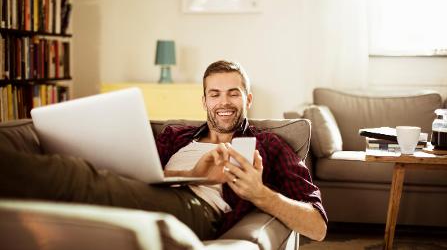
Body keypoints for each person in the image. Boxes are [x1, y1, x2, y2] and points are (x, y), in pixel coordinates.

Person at [0, 60, 327, 241]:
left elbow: (318, 226)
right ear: (204, 101)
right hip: (147, 192)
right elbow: (139, 178)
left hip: (199, 209)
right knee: (73, 178)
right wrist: (190, 173)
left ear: (248, 99)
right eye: (214, 94)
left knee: (68, 175)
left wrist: (259, 194)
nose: (223, 102)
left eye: (233, 93)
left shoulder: (269, 144)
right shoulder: (175, 136)